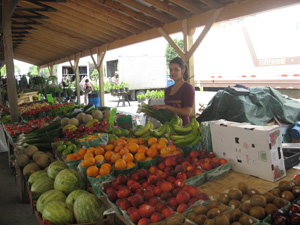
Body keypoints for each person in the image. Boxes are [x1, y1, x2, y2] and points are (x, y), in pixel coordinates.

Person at [151, 57, 195, 126]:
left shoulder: (188, 88)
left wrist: (167, 107)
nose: (173, 72)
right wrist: (153, 112)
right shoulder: (167, 90)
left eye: (176, 69)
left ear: (183, 70)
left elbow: (187, 112)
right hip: (169, 127)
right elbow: (167, 112)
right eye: (171, 70)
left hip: (183, 128)